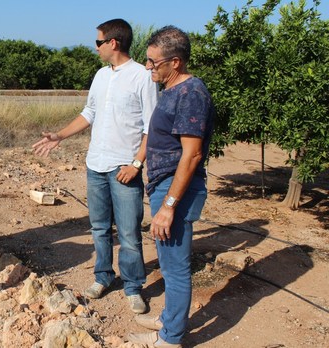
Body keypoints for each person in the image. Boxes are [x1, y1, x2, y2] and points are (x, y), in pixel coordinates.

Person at [32, 19, 158, 314]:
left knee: (128, 234)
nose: (96, 46)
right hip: (96, 165)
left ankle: (133, 286)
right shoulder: (101, 75)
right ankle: (103, 277)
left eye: (98, 41)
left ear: (113, 43)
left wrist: (137, 164)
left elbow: (152, 128)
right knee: (100, 228)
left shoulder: (142, 77)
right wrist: (59, 136)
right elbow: (89, 112)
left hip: (124, 169)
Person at [127, 26, 215, 347]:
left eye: (153, 62)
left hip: (176, 192)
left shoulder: (191, 94)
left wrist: (168, 206)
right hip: (165, 187)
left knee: (176, 269)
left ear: (174, 62)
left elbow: (192, 155)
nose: (148, 67)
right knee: (167, 263)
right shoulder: (172, 91)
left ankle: (170, 338)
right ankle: (168, 320)